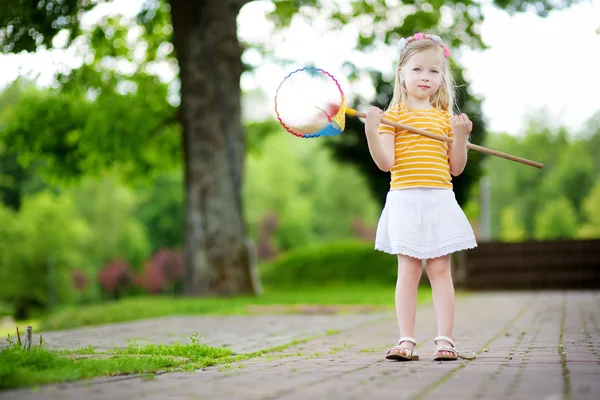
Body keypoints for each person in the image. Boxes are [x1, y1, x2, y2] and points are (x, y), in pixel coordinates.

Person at [363, 33, 477, 361]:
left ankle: (445, 341)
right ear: (401, 72)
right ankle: (406, 341)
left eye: (433, 71)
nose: (425, 77)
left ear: (442, 77)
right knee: (409, 271)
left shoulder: (445, 119)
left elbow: (456, 168)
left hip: (439, 199)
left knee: (440, 270)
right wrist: (373, 131)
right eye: (417, 69)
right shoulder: (393, 116)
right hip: (405, 200)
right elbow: (386, 163)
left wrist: (459, 137)